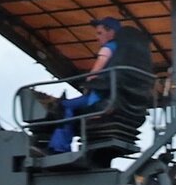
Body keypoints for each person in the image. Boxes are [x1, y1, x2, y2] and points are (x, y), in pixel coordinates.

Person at [48, 16, 121, 153]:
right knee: (74, 108)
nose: (96, 37)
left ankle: (59, 146)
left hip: (101, 98)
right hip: (112, 96)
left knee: (64, 106)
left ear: (111, 32)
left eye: (100, 33)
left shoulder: (108, 48)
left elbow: (94, 72)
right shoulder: (124, 51)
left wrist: (87, 82)